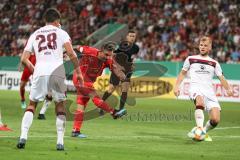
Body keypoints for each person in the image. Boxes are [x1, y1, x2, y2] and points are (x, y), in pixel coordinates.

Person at [16, 8, 83, 151]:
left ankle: (23, 137)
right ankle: (60, 142)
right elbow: (71, 53)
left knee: (32, 104)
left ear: (45, 20)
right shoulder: (61, 33)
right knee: (60, 105)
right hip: (57, 72)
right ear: (57, 21)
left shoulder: (35, 34)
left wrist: (35, 70)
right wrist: (78, 71)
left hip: (40, 71)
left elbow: (23, 59)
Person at [174, 36, 233, 141]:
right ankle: (199, 129)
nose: (203, 47)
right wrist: (176, 86)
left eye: (205, 45)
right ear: (198, 46)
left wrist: (228, 89)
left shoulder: (214, 63)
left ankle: (203, 132)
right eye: (201, 45)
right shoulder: (191, 59)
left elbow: (221, 78)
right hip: (195, 88)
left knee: (215, 120)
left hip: (209, 92)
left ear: (210, 47)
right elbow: (182, 74)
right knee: (200, 103)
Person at [71, 42, 127, 138]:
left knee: (81, 106)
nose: (108, 57)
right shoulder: (89, 51)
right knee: (95, 97)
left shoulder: (108, 61)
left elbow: (116, 71)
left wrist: (122, 76)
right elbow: (76, 47)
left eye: (110, 55)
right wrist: (63, 52)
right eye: (106, 54)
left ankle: (75, 131)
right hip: (79, 78)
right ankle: (113, 112)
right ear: (101, 51)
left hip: (89, 83)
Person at [100, 30, 139, 115]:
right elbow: (113, 55)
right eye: (130, 36)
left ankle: (121, 110)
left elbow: (133, 57)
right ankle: (101, 106)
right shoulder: (121, 45)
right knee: (111, 89)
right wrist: (116, 66)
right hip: (117, 69)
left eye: (133, 36)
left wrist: (133, 64)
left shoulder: (136, 47)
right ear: (127, 37)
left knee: (125, 90)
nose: (132, 38)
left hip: (128, 70)